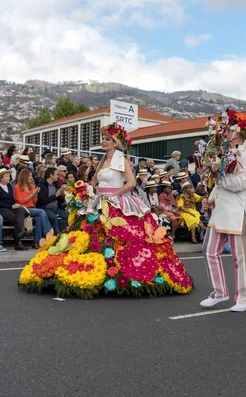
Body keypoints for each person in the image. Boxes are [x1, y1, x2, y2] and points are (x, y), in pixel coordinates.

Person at [18, 123, 193, 298]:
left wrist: (114, 195)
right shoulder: (102, 161)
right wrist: (82, 192)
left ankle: (118, 271)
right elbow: (93, 183)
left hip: (117, 200)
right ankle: (90, 269)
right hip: (99, 201)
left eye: (107, 139)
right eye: (103, 139)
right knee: (90, 232)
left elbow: (131, 183)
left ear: (116, 143)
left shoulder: (122, 160)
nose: (103, 141)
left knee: (120, 234)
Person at [201, 111, 246, 312]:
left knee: (240, 257)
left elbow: (242, 183)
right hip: (220, 212)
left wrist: (220, 175)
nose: (224, 133)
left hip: (237, 212)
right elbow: (219, 184)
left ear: (238, 133)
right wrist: (210, 199)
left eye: (228, 130)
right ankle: (219, 292)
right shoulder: (222, 155)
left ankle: (245, 299)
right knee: (209, 251)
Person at [13, 169, 53, 249]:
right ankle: (48, 232)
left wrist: (35, 195)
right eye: (30, 176)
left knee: (38, 219)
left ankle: (36, 242)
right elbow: (21, 201)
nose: (31, 178)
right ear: (24, 177)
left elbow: (34, 202)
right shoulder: (17, 187)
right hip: (24, 209)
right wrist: (32, 194)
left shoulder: (32, 186)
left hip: (32, 208)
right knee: (41, 212)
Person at [0, 167, 29, 250]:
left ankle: (19, 237)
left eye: (9, 176)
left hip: (11, 207)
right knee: (16, 218)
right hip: (2, 208)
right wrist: (11, 206)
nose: (9, 178)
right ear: (1, 178)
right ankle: (19, 239)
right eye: (6, 176)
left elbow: (12, 198)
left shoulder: (9, 186)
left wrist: (15, 204)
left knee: (21, 210)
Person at [36, 167, 69, 234]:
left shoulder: (56, 185)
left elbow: (62, 201)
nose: (58, 176)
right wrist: (55, 196)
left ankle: (65, 234)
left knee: (68, 215)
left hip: (56, 208)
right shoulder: (41, 185)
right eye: (56, 174)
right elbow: (42, 201)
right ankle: (57, 235)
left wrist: (61, 194)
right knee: (53, 217)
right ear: (51, 175)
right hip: (46, 208)